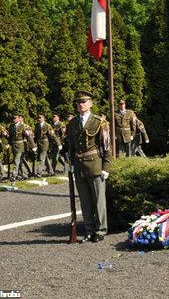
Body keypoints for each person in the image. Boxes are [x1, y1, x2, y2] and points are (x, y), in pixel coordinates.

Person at [66, 90, 111, 243]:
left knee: (99, 201)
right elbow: (71, 147)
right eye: (78, 102)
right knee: (85, 201)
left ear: (91, 103)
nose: (81, 105)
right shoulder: (72, 124)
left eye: (84, 102)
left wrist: (106, 167)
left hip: (95, 165)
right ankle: (89, 230)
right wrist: (71, 164)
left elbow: (106, 147)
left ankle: (100, 230)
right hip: (79, 166)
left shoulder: (99, 122)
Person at [8, 114, 36, 181]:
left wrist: (33, 145)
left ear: (19, 118)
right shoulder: (11, 126)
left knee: (16, 161)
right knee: (20, 161)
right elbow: (10, 137)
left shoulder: (23, 126)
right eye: (13, 118)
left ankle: (14, 176)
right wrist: (9, 144)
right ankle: (24, 175)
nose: (14, 119)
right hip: (14, 146)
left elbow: (28, 136)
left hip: (21, 146)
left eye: (15, 118)